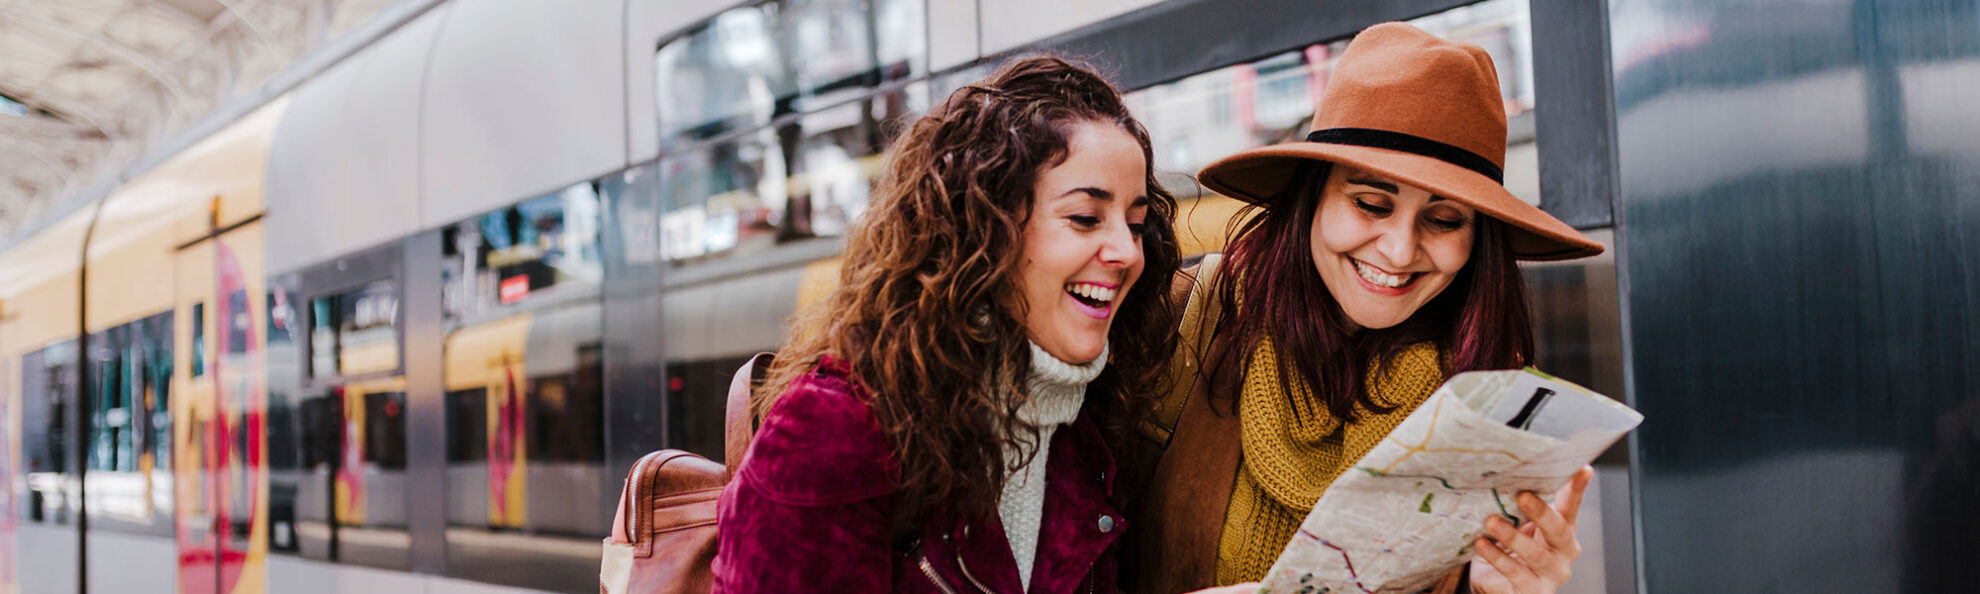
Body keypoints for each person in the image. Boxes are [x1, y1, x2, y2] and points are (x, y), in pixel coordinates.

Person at [714, 56, 1232, 592]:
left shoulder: (1084, 432)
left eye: (1137, 224)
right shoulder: (833, 430)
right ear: (986, 227)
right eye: (1085, 218)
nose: (1127, 251)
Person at [1130, 23, 1605, 594]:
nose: (1400, 250)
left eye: (1445, 219)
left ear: (1478, 241)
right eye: (1371, 203)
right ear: (1311, 200)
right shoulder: (1180, 323)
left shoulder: (1493, 409)